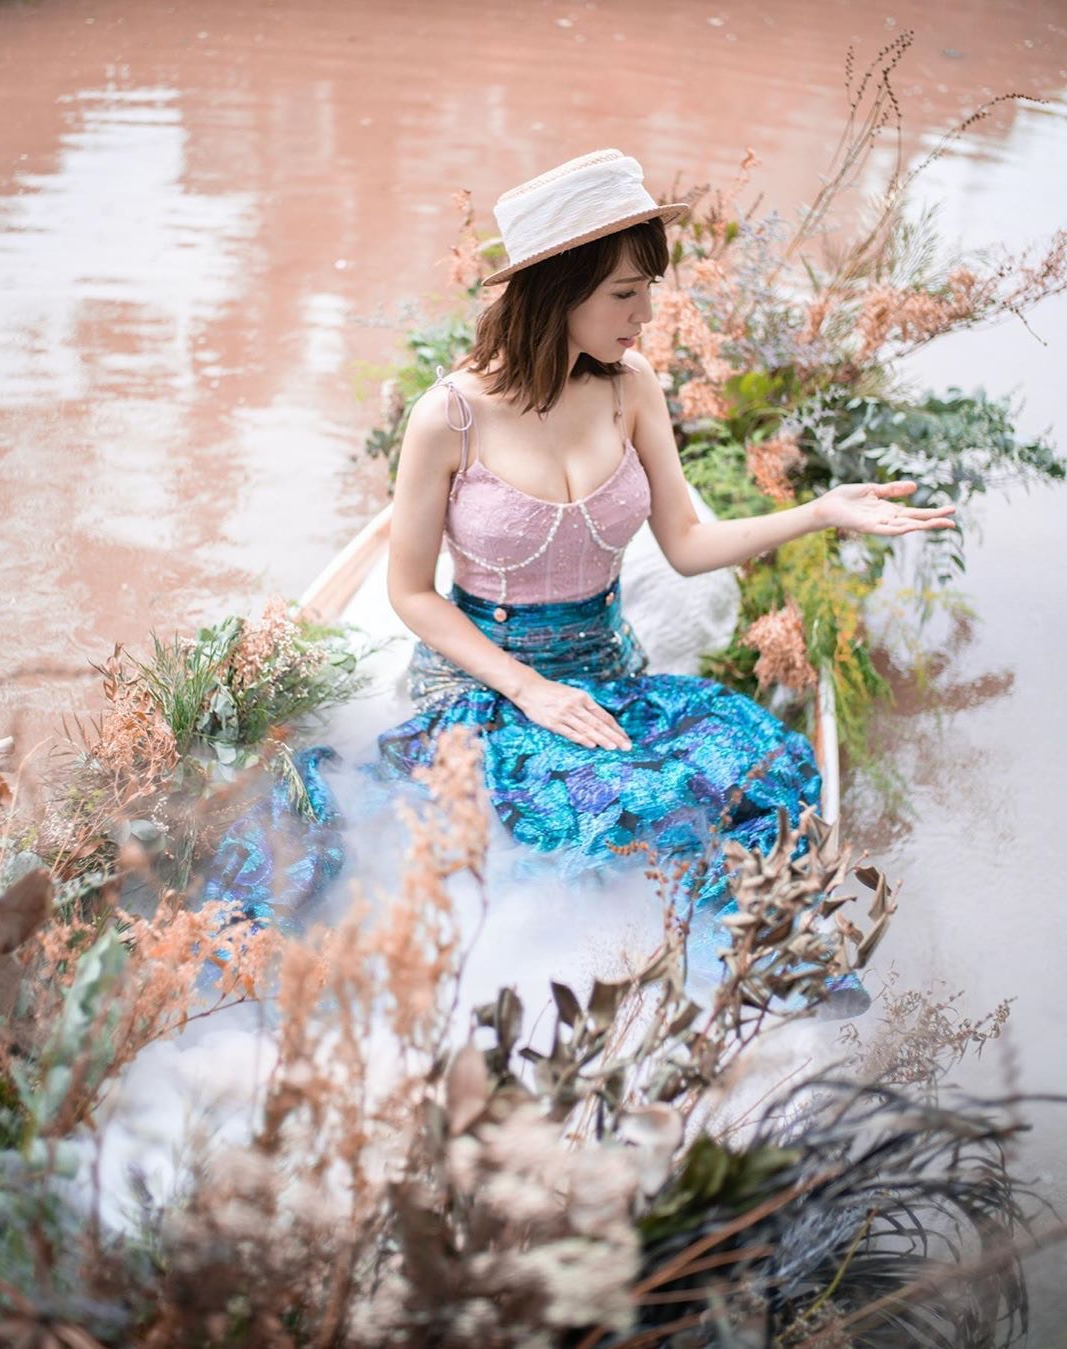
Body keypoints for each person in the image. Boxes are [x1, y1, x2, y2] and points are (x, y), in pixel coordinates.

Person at [370, 149, 955, 1005]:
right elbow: (410, 591)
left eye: (648, 287)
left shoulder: (631, 387)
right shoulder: (448, 417)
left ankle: (756, 971)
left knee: (756, 763)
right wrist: (530, 689)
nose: (647, 313)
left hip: (610, 675)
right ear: (558, 290)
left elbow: (685, 542)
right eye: (625, 293)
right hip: (486, 687)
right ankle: (684, 985)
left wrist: (820, 512)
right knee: (622, 805)